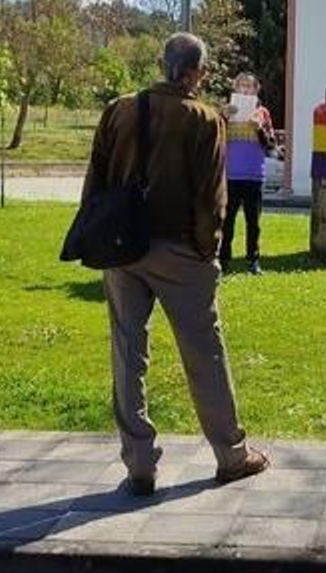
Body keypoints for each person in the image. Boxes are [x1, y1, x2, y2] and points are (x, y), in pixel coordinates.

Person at [83, 33, 269, 496]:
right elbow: (213, 199)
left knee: (128, 353)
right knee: (204, 353)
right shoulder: (204, 119)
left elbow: (97, 181)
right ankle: (231, 454)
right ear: (197, 72)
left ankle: (139, 465)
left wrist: (99, 239)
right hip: (181, 251)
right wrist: (209, 252)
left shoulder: (119, 109)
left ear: (162, 63)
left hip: (123, 249)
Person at [219, 72, 279, 275]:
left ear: (256, 89)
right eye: (241, 86)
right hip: (230, 176)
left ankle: (253, 261)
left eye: (249, 86)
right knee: (227, 222)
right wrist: (222, 119)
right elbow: (212, 142)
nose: (245, 90)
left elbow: (271, 146)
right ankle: (223, 259)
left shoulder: (262, 113)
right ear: (235, 89)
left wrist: (259, 129)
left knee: (253, 223)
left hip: (254, 175)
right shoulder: (225, 112)